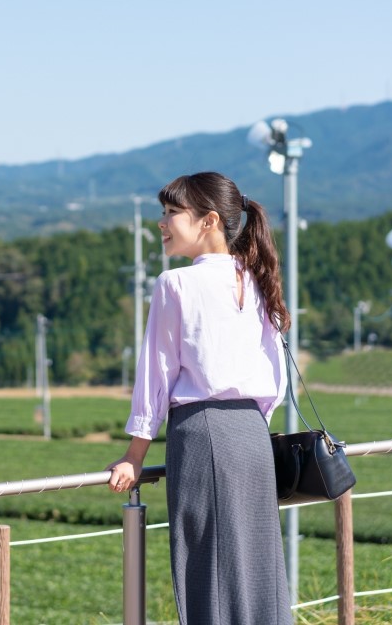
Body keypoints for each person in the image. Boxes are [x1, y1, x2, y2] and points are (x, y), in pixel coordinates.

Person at [108, 171, 292, 625]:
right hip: (252, 435)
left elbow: (157, 376)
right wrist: (249, 422)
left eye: (172, 213)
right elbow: (277, 376)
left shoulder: (176, 285)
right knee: (256, 566)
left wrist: (134, 456)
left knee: (207, 568)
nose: (161, 223)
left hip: (203, 432)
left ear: (209, 220)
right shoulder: (257, 279)